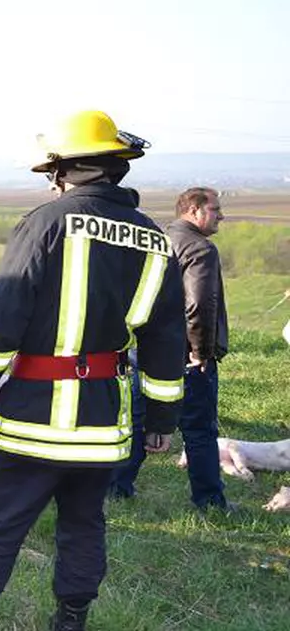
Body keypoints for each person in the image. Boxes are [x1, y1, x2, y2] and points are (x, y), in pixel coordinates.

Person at [0, 110, 186, 631]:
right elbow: (165, 340)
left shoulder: (45, 223)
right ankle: (70, 622)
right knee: (85, 526)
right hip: (101, 425)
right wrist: (161, 420)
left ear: (63, 170)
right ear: (114, 168)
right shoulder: (156, 241)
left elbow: (3, 318)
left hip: (31, 420)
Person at [109, 187, 233, 511]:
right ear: (193, 210)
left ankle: (117, 487)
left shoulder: (158, 238)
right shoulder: (200, 249)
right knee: (199, 429)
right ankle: (210, 500)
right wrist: (202, 353)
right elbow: (200, 306)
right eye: (215, 209)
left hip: (146, 350)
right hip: (185, 355)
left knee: (139, 422)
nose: (221, 215)